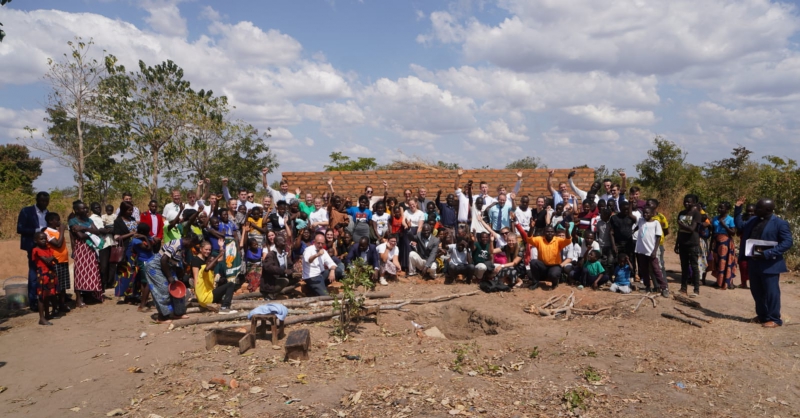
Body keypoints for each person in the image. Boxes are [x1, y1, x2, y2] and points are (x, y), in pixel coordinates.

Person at [735, 198, 793, 328]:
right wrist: (737, 209)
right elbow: (740, 226)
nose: (755, 210)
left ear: (767, 210)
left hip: (769, 264)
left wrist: (768, 253)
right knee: (757, 291)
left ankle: (774, 319)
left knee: (771, 292)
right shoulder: (752, 220)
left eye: (758, 208)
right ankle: (763, 316)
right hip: (753, 261)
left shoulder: (779, 223)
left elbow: (788, 242)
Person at [144, 233, 199, 323]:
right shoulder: (175, 244)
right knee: (163, 290)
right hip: (155, 267)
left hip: (167, 266)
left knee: (177, 289)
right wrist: (169, 276)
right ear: (189, 241)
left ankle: (177, 313)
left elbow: (172, 262)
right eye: (192, 244)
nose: (191, 247)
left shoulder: (183, 247)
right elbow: (163, 260)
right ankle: (162, 317)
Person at [17, 191, 49, 310]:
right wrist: (37, 230)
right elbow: (20, 228)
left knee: (45, 273)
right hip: (32, 246)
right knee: (34, 273)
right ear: (37, 200)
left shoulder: (47, 212)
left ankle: (45, 298)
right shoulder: (27, 211)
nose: (44, 203)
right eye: (42, 201)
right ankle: (33, 300)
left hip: (46, 247)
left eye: (46, 201)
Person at [68, 202, 105, 308]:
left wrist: (85, 229)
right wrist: (89, 231)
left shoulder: (89, 220)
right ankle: (79, 299)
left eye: (86, 208)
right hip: (80, 248)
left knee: (92, 271)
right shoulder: (72, 221)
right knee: (80, 273)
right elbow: (80, 236)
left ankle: (90, 295)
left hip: (91, 248)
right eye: (83, 208)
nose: (86, 210)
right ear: (76, 210)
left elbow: (97, 232)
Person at [193, 239, 240, 313]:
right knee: (230, 284)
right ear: (201, 249)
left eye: (209, 250)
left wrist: (221, 247)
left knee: (224, 282)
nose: (208, 251)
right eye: (206, 249)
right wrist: (218, 256)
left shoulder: (210, 268)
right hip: (205, 298)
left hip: (208, 295)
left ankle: (223, 303)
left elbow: (219, 260)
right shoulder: (203, 268)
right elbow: (204, 270)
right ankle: (225, 307)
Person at [635, 206, 667, 297]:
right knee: (644, 269)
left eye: (647, 213)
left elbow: (658, 237)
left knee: (656, 269)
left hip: (651, 250)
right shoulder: (641, 221)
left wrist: (654, 251)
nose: (645, 214)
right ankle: (647, 286)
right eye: (644, 213)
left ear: (652, 214)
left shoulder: (656, 223)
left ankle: (663, 287)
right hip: (641, 250)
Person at [44, 213, 70, 313]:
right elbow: (58, 244)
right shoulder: (47, 232)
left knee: (63, 285)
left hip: (63, 260)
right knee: (55, 285)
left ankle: (62, 304)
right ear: (51, 221)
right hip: (55, 261)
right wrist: (62, 230)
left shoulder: (57, 231)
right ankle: (55, 306)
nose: (59, 222)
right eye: (57, 220)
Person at [113, 201, 140, 300]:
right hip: (126, 249)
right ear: (123, 210)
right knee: (125, 271)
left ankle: (134, 293)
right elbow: (117, 237)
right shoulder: (118, 221)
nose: (131, 212)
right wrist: (131, 234)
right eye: (129, 210)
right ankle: (124, 293)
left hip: (136, 249)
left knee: (135, 271)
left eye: (132, 210)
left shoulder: (133, 219)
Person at [676, 194, 701, 297]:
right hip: (682, 243)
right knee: (684, 266)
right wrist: (677, 243)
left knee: (694, 266)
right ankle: (683, 288)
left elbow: (692, 229)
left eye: (689, 202)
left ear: (694, 203)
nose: (686, 203)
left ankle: (696, 290)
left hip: (692, 243)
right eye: (685, 201)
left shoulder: (696, 214)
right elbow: (680, 231)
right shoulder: (681, 213)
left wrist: (681, 224)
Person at [31, 232, 58, 325]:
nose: (43, 240)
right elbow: (47, 260)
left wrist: (52, 258)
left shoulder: (48, 249)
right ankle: (41, 318)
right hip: (42, 274)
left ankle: (47, 314)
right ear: (35, 240)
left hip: (50, 273)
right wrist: (53, 257)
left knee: (48, 295)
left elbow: (55, 260)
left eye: (45, 239)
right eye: (41, 239)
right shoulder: (36, 250)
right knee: (41, 296)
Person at [709, 202, 738, 290]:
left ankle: (728, 281)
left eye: (722, 208)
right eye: (719, 208)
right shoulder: (715, 218)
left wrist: (724, 225)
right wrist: (711, 244)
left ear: (727, 209)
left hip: (725, 243)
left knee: (727, 262)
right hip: (717, 242)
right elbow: (713, 232)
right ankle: (719, 281)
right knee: (717, 261)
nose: (720, 210)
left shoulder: (730, 219)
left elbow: (733, 233)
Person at [131, 223, 155, 312]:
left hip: (148, 260)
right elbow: (148, 248)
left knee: (144, 283)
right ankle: (142, 305)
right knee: (149, 282)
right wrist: (145, 238)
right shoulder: (137, 240)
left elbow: (132, 250)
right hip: (144, 261)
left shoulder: (141, 239)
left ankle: (145, 301)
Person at [735, 202, 756, 289]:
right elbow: (739, 229)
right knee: (743, 263)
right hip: (744, 245)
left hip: (755, 245)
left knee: (753, 265)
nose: (750, 214)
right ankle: (743, 282)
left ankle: (754, 283)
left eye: (752, 212)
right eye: (748, 211)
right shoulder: (745, 221)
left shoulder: (757, 221)